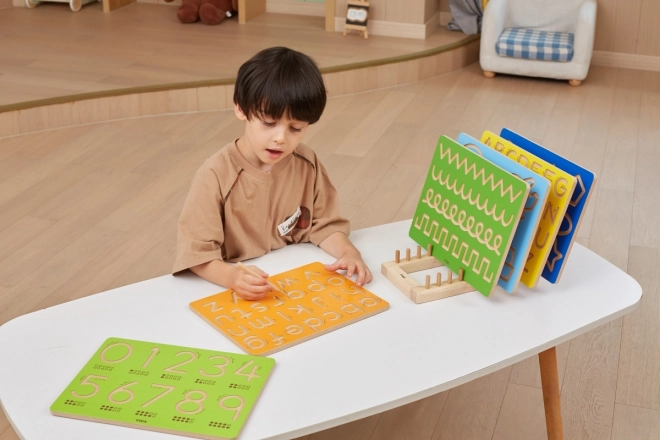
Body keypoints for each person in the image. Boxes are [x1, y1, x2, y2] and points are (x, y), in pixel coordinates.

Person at [172, 46, 373, 300]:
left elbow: (323, 225)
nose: (280, 138)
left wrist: (348, 252)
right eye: (269, 123)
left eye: (296, 128)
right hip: (234, 286)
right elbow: (196, 254)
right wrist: (232, 278)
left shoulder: (306, 162)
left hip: (292, 280)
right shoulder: (214, 174)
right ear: (241, 109)